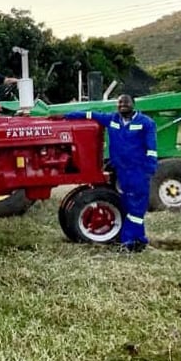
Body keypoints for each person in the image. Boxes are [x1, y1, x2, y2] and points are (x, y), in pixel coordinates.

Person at [58, 94, 157, 252]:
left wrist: (148, 170)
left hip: (138, 170)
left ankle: (129, 243)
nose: (122, 105)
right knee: (126, 205)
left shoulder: (146, 123)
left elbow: (152, 149)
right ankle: (139, 239)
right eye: (120, 103)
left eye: (126, 103)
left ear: (133, 104)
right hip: (121, 170)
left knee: (136, 208)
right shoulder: (112, 119)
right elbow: (90, 114)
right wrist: (66, 116)